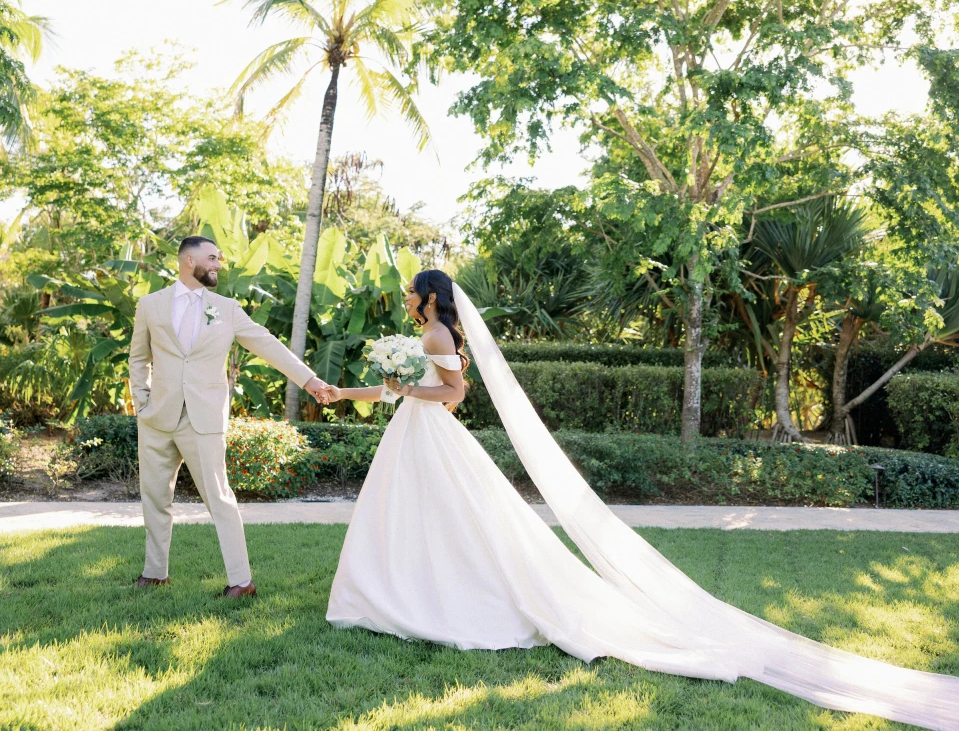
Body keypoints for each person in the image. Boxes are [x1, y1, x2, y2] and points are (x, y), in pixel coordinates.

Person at [320, 268, 959, 731]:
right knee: (417, 522)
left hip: (432, 437)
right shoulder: (421, 342)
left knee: (451, 524)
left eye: (411, 289)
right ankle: (404, 589)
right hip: (414, 437)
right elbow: (400, 391)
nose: (405, 296)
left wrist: (406, 390)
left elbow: (454, 398)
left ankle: (423, 595)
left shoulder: (434, 340)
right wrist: (351, 394)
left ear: (429, 297)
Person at [128, 236, 332, 598]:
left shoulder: (227, 308)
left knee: (219, 499)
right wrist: (141, 400)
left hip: (203, 419)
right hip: (157, 418)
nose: (219, 264)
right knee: (154, 498)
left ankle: (241, 581)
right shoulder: (150, 305)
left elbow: (267, 343)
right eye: (212, 258)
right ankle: (154, 572)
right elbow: (138, 357)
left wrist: (309, 380)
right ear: (189, 261)